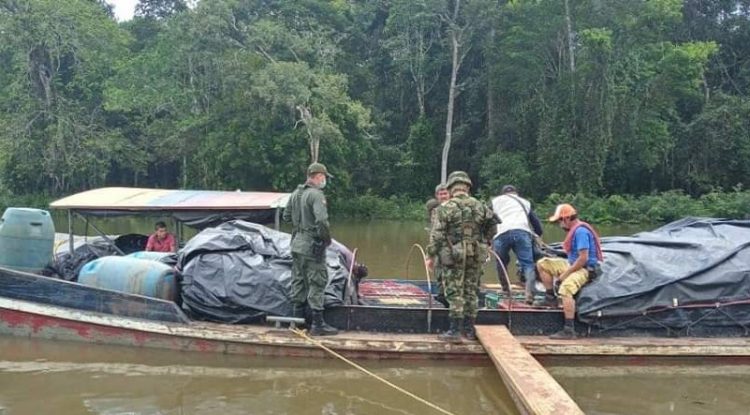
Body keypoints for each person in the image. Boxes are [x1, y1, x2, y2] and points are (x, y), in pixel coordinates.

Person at [426, 171, 498, 343]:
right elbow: (492, 228)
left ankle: (454, 331)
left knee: (454, 291)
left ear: (451, 188)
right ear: (467, 187)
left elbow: (437, 235)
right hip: (475, 255)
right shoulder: (481, 206)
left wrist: (431, 255)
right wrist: (484, 242)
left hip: (453, 256)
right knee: (471, 291)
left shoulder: (445, 208)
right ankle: (469, 330)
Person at [282, 162, 338, 336]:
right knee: (317, 281)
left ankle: (297, 322)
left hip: (296, 243)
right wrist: (326, 239)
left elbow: (286, 216)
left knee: (298, 280)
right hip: (312, 245)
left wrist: (300, 225)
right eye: (324, 177)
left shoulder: (296, 193)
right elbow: (322, 221)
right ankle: (318, 325)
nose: (325, 180)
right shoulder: (316, 195)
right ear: (318, 176)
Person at [534, 203, 603, 339]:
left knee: (565, 289)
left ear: (566, 219)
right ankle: (550, 298)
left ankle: (569, 329)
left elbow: (583, 259)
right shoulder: (575, 230)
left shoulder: (580, 232)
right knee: (543, 264)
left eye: (560, 221)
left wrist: (564, 276)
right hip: (573, 264)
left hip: (584, 269)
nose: (560, 225)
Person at [490, 185, 543, 303]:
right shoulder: (525, 202)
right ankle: (529, 293)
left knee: (501, 262)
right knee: (528, 264)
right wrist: (537, 234)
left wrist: (488, 237)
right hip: (522, 232)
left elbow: (488, 219)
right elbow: (536, 223)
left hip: (502, 233)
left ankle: (505, 289)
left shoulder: (495, 201)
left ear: (502, 193)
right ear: (516, 193)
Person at [426, 183, 451, 307]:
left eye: (445, 193)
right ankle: (443, 299)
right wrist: (430, 255)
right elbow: (434, 234)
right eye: (441, 194)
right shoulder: (435, 210)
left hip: (452, 250)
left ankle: (448, 302)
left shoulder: (454, 209)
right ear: (437, 196)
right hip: (439, 248)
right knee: (439, 274)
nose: (443, 196)